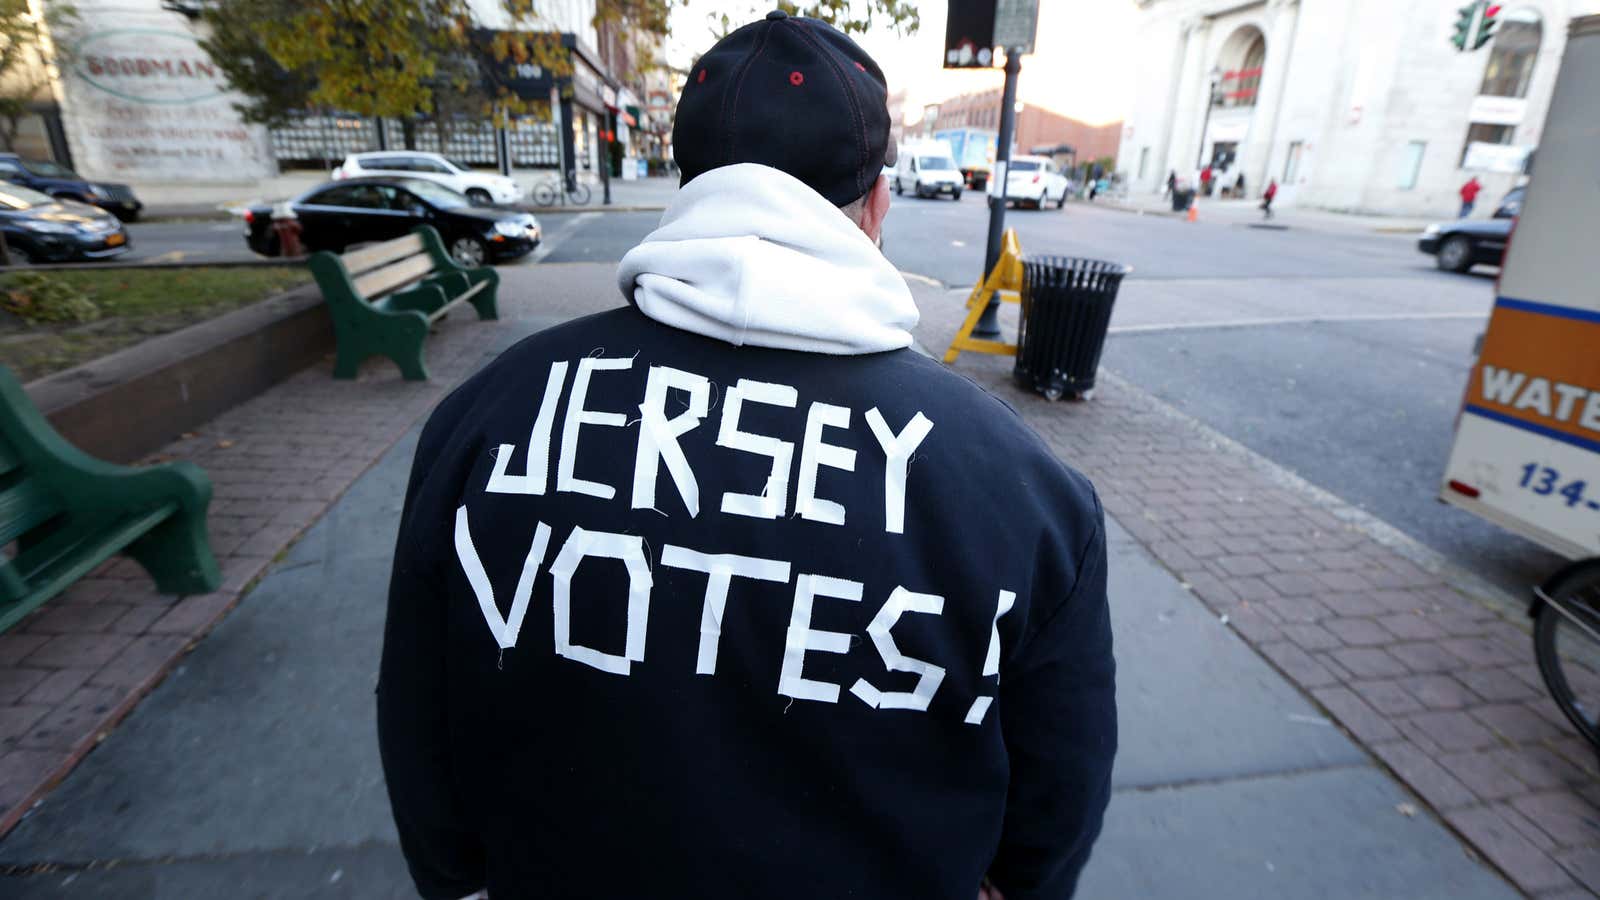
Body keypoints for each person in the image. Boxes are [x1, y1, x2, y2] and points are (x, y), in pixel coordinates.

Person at [377, 12, 1115, 900]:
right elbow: (1058, 788)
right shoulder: (1023, 494)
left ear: (686, 186)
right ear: (877, 205)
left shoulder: (487, 419)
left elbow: (420, 715)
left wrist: (456, 878)